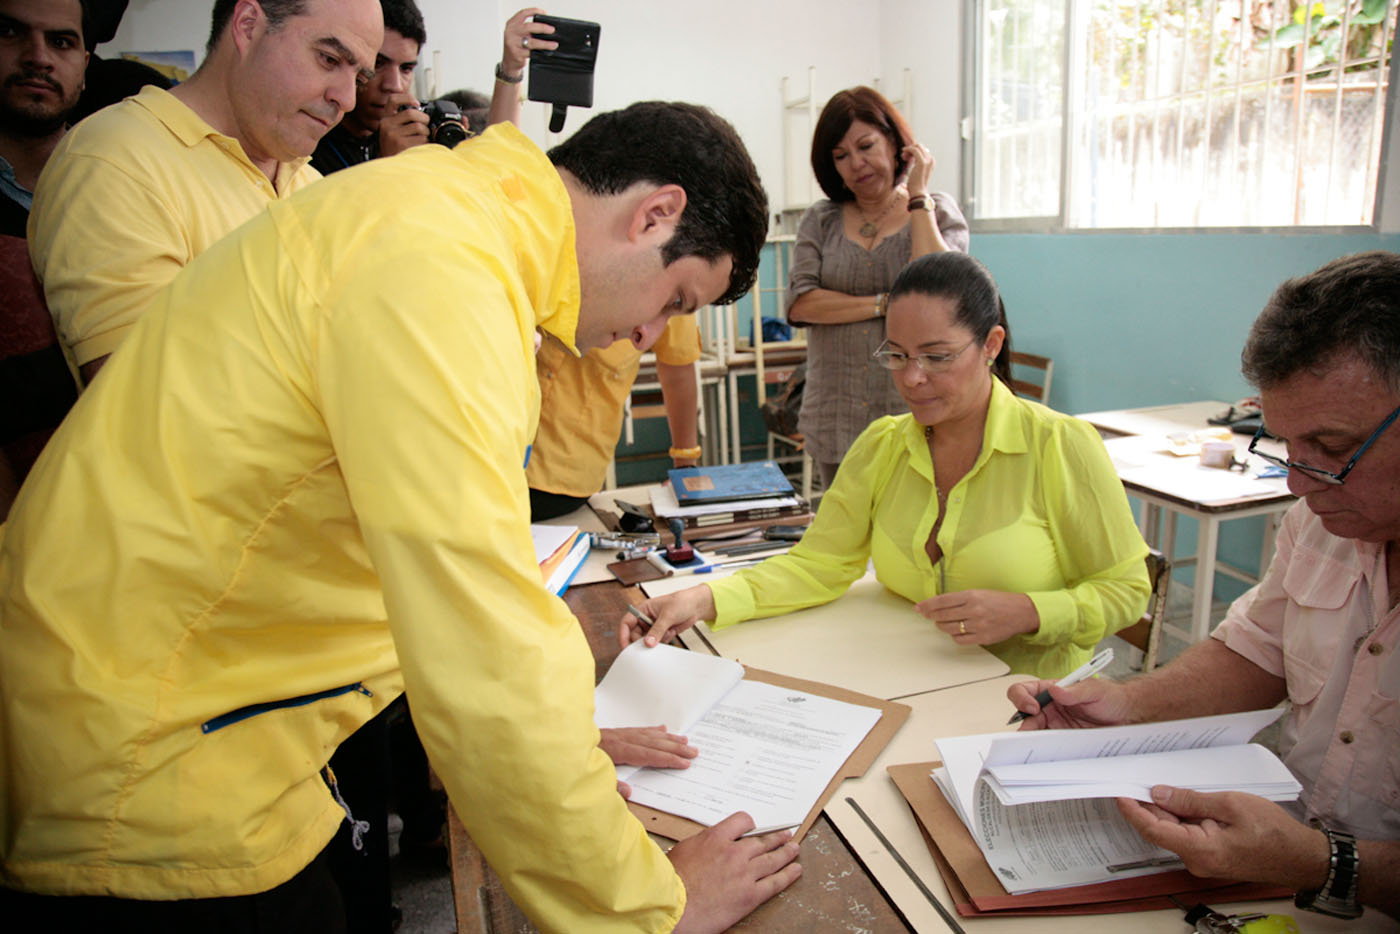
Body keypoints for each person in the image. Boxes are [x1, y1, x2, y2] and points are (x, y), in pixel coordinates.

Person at [0, 101, 799, 933]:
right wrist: (650, 909)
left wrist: (561, 743)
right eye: (675, 298)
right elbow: (480, 635)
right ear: (654, 214)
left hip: (154, 710)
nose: (646, 335)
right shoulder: (446, 273)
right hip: (140, 770)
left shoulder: (434, 214)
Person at [1007, 251, 1400, 922]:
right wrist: (1127, 706)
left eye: (1333, 446)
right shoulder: (1321, 521)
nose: (1299, 485)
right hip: (1276, 879)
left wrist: (1323, 862)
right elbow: (1257, 650)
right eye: (1284, 445)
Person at [624, 252, 1149, 680]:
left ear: (991, 345)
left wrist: (1033, 611)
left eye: (937, 356)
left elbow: (1127, 590)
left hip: (1029, 701)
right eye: (897, 355)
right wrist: (702, 597)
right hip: (914, 685)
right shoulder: (884, 445)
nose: (912, 378)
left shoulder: (1059, 445)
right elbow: (818, 564)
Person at [28, 0, 383, 385]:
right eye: (329, 59)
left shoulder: (312, 184)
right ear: (248, 26)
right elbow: (151, 402)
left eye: (359, 79)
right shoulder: (114, 163)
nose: (347, 99)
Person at [787, 86, 969, 491]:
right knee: (844, 543)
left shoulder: (936, 211)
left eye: (866, 145)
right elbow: (802, 304)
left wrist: (918, 196)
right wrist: (889, 303)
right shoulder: (821, 221)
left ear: (895, 142)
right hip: (835, 413)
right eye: (840, 156)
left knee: (915, 541)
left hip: (912, 409)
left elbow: (939, 290)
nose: (856, 164)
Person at [0, 0, 85, 505]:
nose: (38, 57)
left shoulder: (126, 184)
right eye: (10, 32)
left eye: (61, 41)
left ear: (85, 66)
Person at [529, 316, 703, 520]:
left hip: (564, 476)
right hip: (495, 445)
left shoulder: (674, 294)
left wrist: (685, 465)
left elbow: (678, 373)